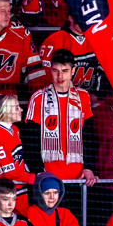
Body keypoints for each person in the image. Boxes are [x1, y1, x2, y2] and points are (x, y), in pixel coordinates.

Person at [22, 48, 96, 186]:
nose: (60, 76)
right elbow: (30, 139)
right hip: (48, 175)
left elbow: (89, 136)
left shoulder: (83, 97)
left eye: (65, 71)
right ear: (50, 70)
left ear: (73, 71)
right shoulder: (38, 98)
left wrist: (89, 167)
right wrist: (38, 171)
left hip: (79, 176)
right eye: (56, 71)